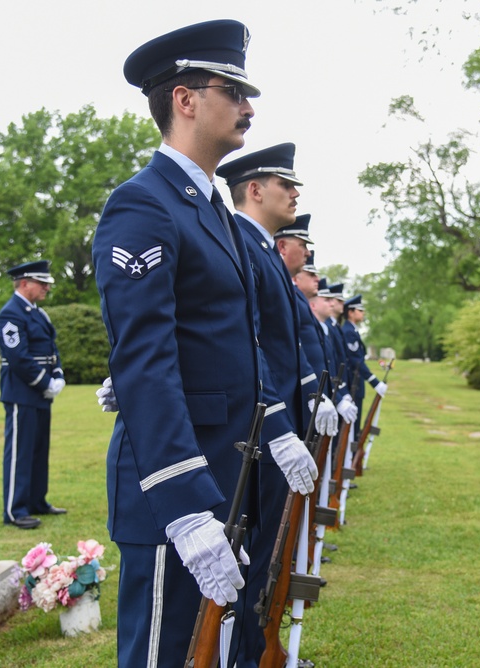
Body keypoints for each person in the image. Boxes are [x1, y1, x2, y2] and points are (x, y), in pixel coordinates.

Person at [90, 21, 315, 667]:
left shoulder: (207, 206)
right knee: (168, 655)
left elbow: (239, 342)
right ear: (186, 99)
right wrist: (186, 508)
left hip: (228, 470)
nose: (249, 107)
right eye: (234, 90)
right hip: (176, 489)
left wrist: (274, 425)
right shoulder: (143, 205)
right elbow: (144, 359)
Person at [215, 148, 334, 668]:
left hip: (272, 425)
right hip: (256, 427)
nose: (295, 192)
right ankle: (247, 656)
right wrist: (281, 421)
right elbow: (252, 344)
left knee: (267, 554)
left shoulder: (260, 250)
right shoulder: (242, 244)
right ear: (255, 190)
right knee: (255, 552)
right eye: (283, 183)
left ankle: (257, 652)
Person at [0, 259, 66, 530]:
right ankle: (15, 509)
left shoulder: (38, 313)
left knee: (38, 450)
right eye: (42, 282)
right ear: (25, 283)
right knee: (20, 453)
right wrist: (44, 381)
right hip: (22, 392)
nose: (47, 287)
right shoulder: (11, 314)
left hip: (41, 393)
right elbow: (18, 357)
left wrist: (57, 375)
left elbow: (52, 347)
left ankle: (37, 501)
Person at [341, 294, 387, 440]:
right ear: (350, 312)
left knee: (355, 427)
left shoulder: (352, 330)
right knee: (351, 430)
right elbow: (356, 361)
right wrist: (374, 381)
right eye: (360, 310)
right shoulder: (348, 332)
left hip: (357, 384)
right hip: (352, 384)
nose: (363, 313)